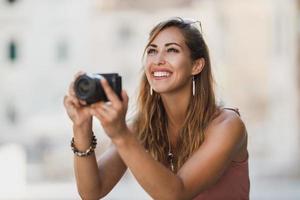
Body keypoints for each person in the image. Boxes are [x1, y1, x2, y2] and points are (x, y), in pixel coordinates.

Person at [63, 17, 250, 200]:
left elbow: (177, 193)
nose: (158, 60)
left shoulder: (227, 126)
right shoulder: (142, 126)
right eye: (152, 51)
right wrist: (81, 127)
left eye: (172, 50)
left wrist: (121, 135)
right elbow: (92, 192)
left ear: (196, 65)